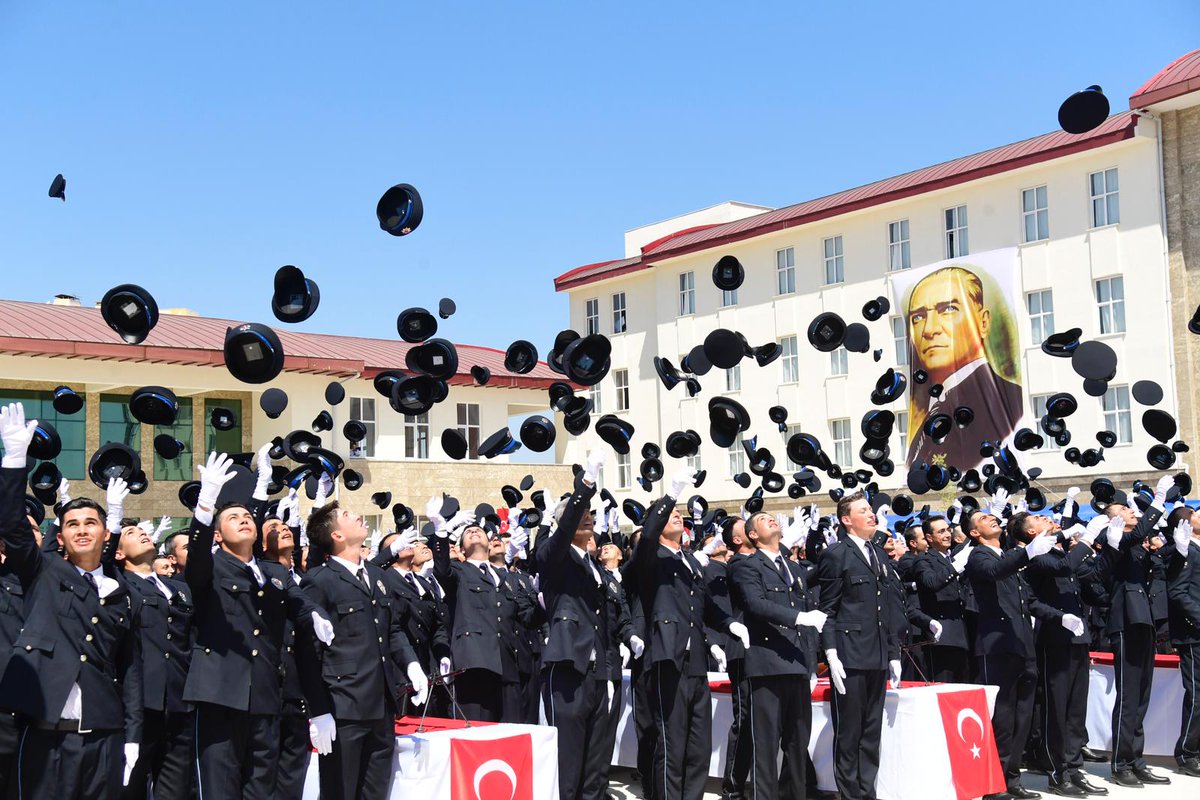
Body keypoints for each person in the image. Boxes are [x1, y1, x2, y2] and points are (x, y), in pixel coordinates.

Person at [0, 403, 143, 799]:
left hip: (103, 734)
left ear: (106, 533)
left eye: (91, 523)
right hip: (44, 734)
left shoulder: (122, 593)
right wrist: (14, 460)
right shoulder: (43, 571)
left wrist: (133, 734)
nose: (82, 530)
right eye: (72, 524)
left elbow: (130, 670)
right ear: (60, 537)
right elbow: (12, 526)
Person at [182, 452, 333, 799]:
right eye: (233, 518)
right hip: (221, 694)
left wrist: (314, 615)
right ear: (217, 536)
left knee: (261, 788)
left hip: (265, 695)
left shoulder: (275, 572)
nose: (244, 520)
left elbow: (298, 600)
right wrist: (206, 505)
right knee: (220, 789)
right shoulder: (211, 568)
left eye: (248, 516)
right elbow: (198, 560)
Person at [297, 500, 427, 800]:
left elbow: (391, 630)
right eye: (346, 515)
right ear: (337, 535)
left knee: (375, 792)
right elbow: (307, 652)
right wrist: (318, 712)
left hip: (381, 704)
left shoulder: (377, 576)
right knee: (340, 792)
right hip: (343, 707)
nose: (356, 516)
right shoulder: (319, 580)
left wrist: (411, 664)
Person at [630, 467, 746, 800]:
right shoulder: (651, 557)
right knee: (672, 741)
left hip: (695, 660)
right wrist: (670, 495)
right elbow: (647, 536)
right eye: (670, 514)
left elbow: (706, 605)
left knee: (699, 745)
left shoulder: (691, 562)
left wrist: (728, 625)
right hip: (668, 656)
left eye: (678, 513)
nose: (677, 515)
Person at [963, 505, 1065, 800]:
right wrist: (1028, 552)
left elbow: (1028, 601)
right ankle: (993, 784)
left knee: (1022, 716)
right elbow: (995, 572)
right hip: (997, 647)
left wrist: (1061, 618)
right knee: (1002, 717)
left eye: (992, 516)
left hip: (1022, 645)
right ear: (974, 533)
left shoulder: (1007, 558)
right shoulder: (979, 556)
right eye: (984, 519)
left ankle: (1011, 779)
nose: (992, 518)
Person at [536, 452, 619, 800]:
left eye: (590, 514)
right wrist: (585, 486)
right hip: (569, 666)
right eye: (579, 514)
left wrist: (610, 672)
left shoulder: (596, 567)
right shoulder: (552, 556)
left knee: (596, 764)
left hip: (598, 672)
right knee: (568, 763)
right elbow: (564, 527)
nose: (587, 517)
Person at [730, 511, 826, 800]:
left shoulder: (794, 568)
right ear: (752, 535)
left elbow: (808, 616)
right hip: (767, 665)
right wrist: (799, 618)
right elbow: (756, 604)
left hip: (797, 664)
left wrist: (811, 664)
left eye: (773, 518)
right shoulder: (747, 566)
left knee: (797, 744)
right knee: (766, 745)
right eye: (763, 519)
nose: (771, 520)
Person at [1016, 511, 1105, 797]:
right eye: (1039, 519)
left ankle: (1074, 767)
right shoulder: (1037, 555)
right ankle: (1057, 771)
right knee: (1056, 708)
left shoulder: (1058, 551)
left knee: (1076, 709)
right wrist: (1087, 538)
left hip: (1077, 637)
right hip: (1054, 637)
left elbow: (1083, 575)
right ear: (1030, 532)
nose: (1048, 519)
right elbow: (1064, 569)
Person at [816, 492, 899, 800]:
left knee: (871, 732)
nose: (871, 514)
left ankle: (867, 793)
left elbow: (885, 607)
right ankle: (850, 794)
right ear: (846, 520)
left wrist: (893, 652)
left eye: (869, 509)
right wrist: (831, 653)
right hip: (849, 654)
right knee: (849, 733)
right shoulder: (836, 554)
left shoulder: (877, 552)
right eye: (863, 510)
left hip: (876, 653)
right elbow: (828, 610)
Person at [904, 266, 1022, 469]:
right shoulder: (932, 410)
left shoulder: (1009, 400)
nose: (929, 330)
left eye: (948, 310)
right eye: (918, 317)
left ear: (983, 322)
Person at [1100, 477, 1174, 787]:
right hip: (1125, 622)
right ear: (1112, 518)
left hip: (1144, 620)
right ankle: (1120, 763)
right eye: (1124, 508)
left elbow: (1157, 560)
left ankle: (1136, 759)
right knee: (1129, 696)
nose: (1131, 510)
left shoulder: (1137, 541)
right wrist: (1158, 500)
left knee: (1142, 695)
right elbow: (1137, 534)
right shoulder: (1113, 537)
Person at [115, 518, 195, 800]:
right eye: (131, 533)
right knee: (130, 786)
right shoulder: (119, 583)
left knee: (175, 788)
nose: (142, 534)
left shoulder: (179, 588)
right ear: (118, 552)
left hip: (179, 700)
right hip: (141, 703)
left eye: (143, 531)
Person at [429, 501, 530, 723]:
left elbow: (525, 617)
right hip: (474, 665)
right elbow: (442, 570)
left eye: (479, 531)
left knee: (511, 733)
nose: (474, 531)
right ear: (461, 550)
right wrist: (441, 531)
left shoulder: (505, 577)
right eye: (468, 533)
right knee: (476, 732)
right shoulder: (458, 571)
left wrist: (544, 603)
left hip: (508, 666)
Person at [913, 515, 972, 683]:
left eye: (948, 530)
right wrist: (956, 567)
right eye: (941, 531)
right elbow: (932, 582)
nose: (947, 535)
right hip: (942, 636)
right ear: (929, 537)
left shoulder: (951, 557)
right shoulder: (924, 559)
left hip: (961, 633)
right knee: (943, 685)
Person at [1166, 504, 1200, 777]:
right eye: (1196, 514)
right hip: (1193, 633)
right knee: (1197, 695)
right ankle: (1187, 753)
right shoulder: (1184, 550)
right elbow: (1177, 592)